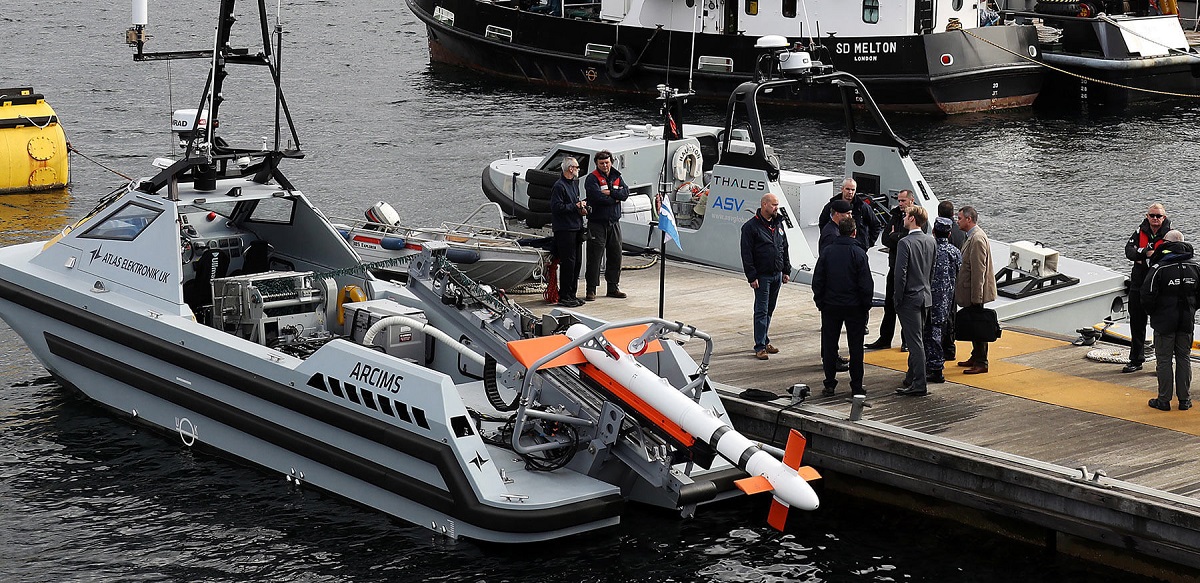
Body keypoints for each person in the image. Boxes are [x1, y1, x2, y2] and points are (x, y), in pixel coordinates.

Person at [813, 216, 874, 397]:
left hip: (831, 306)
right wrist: (866, 305)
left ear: (839, 231)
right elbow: (866, 284)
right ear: (854, 232)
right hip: (854, 307)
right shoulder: (859, 253)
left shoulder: (827, 252)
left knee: (830, 345)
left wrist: (820, 302)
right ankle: (856, 385)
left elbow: (818, 280)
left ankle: (830, 383)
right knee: (856, 348)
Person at [1141, 230, 1199, 411]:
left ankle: (1164, 399)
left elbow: (1146, 295)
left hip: (1164, 321)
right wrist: (1192, 308)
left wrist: (1154, 313)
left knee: (1164, 359)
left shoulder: (1159, 268)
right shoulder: (1195, 267)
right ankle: (1185, 400)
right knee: (1184, 358)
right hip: (1186, 320)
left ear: (1167, 243)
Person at [740, 193, 791, 360]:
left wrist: (786, 270)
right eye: (774, 205)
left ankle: (765, 338)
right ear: (764, 205)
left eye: (777, 205)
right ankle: (760, 346)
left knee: (769, 309)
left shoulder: (778, 224)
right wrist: (751, 276)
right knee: (761, 311)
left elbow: (784, 247)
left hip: (777, 274)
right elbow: (746, 254)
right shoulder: (750, 227)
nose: (776, 208)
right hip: (762, 276)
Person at [1123, 203, 1173, 373]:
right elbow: (1129, 251)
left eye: (1158, 216)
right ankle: (1136, 360)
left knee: (1161, 326)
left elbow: (1166, 256)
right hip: (1139, 283)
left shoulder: (1170, 234)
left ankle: (1163, 364)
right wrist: (1146, 252)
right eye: (1152, 215)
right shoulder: (1140, 231)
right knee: (1137, 323)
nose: (1155, 219)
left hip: (1160, 285)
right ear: (1147, 216)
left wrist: (1143, 255)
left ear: (1164, 217)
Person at [867, 189, 918, 350]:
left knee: (906, 306)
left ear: (911, 200)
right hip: (894, 266)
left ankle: (906, 341)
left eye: (903, 201)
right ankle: (885, 338)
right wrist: (897, 237)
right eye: (899, 200)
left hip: (909, 270)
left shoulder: (918, 215)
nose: (900, 204)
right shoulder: (896, 215)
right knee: (889, 305)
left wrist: (895, 236)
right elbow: (885, 239)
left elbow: (912, 239)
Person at [893, 207, 936, 396]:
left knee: (914, 342)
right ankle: (911, 377)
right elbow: (932, 270)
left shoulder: (905, 243)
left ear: (912, 218)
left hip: (910, 298)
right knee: (917, 339)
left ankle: (919, 383)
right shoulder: (931, 241)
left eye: (905, 215)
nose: (903, 218)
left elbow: (900, 274)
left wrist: (898, 297)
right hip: (925, 296)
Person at [954, 206, 997, 375]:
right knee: (974, 325)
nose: (957, 221)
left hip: (975, 292)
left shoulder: (977, 240)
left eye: (959, 218)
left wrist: (976, 297)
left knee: (978, 325)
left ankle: (981, 361)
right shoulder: (972, 237)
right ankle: (975, 355)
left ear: (968, 219)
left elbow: (979, 271)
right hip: (971, 291)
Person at [583, 150, 630, 301]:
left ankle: (613, 287)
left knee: (615, 255)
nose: (605, 165)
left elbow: (625, 193)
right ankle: (591, 290)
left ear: (611, 162)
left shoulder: (617, 176)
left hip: (614, 223)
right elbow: (596, 198)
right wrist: (615, 198)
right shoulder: (592, 179)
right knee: (595, 257)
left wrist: (611, 194)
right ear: (596, 164)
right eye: (602, 163)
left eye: (607, 162)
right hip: (597, 223)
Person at [925, 217, 962, 383]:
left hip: (929, 298)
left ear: (934, 231)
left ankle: (935, 367)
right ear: (948, 233)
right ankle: (936, 362)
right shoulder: (954, 252)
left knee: (930, 332)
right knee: (941, 329)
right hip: (947, 299)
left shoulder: (929, 249)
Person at [549, 157, 588, 308]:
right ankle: (564, 295)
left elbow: (573, 204)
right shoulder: (559, 186)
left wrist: (581, 209)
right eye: (577, 167)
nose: (579, 169)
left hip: (576, 227)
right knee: (568, 263)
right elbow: (556, 207)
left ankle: (572, 293)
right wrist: (575, 206)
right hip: (564, 229)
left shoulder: (574, 184)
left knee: (577, 262)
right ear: (570, 169)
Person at [818, 178, 878, 249]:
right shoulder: (831, 206)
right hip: (836, 246)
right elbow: (822, 222)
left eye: (853, 190)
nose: (850, 192)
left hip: (858, 246)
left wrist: (868, 243)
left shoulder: (862, 207)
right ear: (842, 189)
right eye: (847, 189)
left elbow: (876, 224)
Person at [936, 200, 963, 360]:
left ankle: (941, 348)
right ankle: (950, 347)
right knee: (951, 315)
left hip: (940, 285)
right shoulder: (960, 232)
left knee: (938, 319)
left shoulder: (940, 238)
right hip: (954, 283)